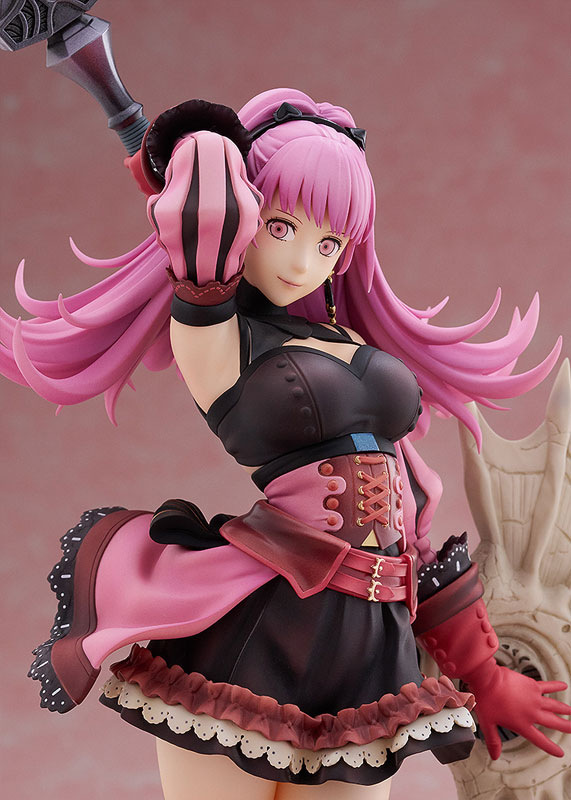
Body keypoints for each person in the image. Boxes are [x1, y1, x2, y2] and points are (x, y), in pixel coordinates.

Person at [2, 88, 569, 799]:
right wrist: (195, 153)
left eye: (328, 244)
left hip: (366, 656)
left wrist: (483, 676)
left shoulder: (348, 341)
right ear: (245, 217)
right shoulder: (221, 342)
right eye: (281, 226)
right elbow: (201, 240)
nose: (304, 261)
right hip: (260, 635)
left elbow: (412, 535)